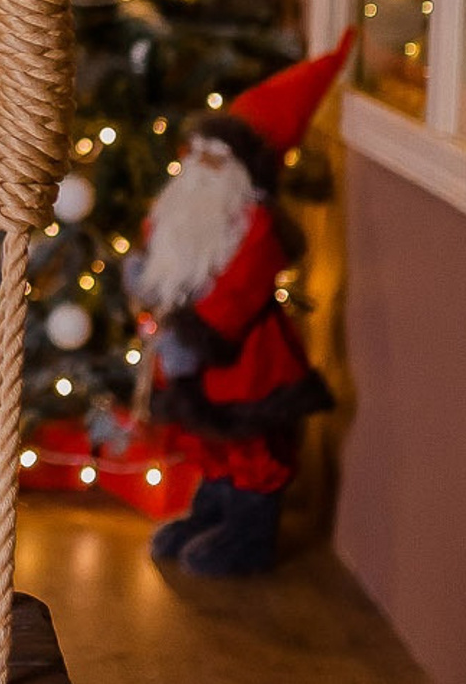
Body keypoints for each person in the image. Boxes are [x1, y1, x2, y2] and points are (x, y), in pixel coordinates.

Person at [131, 31, 352, 576]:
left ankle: (248, 535)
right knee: (212, 443)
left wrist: (192, 332)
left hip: (245, 363)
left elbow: (237, 293)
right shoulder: (182, 209)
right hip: (195, 357)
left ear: (244, 172)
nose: (200, 163)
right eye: (198, 151)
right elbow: (162, 247)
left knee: (250, 445)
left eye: (217, 156)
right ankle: (211, 514)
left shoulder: (255, 227)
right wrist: (145, 278)